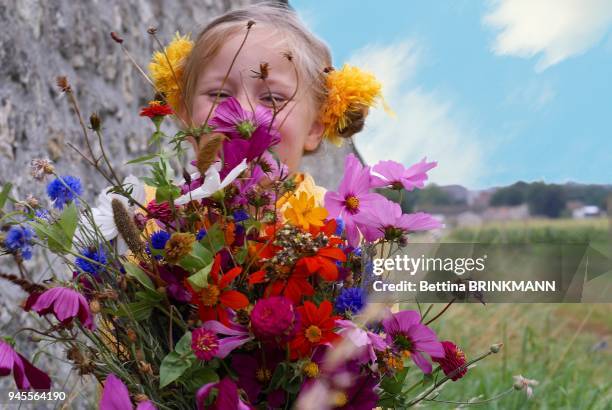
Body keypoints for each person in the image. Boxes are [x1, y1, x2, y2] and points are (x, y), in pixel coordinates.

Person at [149, 1, 388, 196]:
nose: (243, 114)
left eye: (272, 99)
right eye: (219, 94)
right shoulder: (153, 224)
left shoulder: (333, 234)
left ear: (314, 128)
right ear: (186, 113)